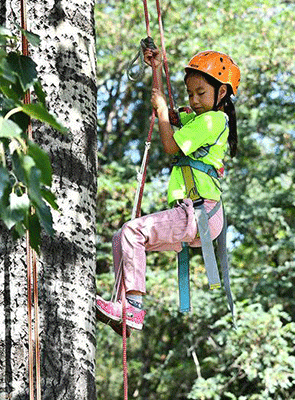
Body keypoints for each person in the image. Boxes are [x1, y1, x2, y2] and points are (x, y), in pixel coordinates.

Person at [96, 49, 240, 336]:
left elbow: (171, 144)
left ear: (221, 91)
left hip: (201, 211)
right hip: (195, 214)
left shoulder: (213, 121)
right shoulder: (199, 119)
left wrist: (163, 111)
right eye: (190, 94)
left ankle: (133, 307)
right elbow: (164, 110)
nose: (194, 100)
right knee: (119, 239)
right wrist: (157, 70)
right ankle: (123, 307)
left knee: (131, 232)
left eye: (201, 92)